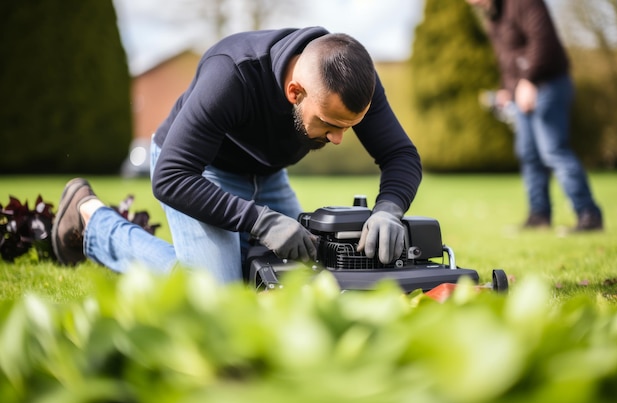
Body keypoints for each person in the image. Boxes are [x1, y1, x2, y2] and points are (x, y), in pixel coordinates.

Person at [52, 27, 422, 284]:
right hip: (199, 170)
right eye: (329, 123)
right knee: (216, 295)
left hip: (268, 173)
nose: (340, 138)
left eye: (350, 125)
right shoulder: (232, 74)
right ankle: (92, 220)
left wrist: (389, 208)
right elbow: (170, 176)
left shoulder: (352, 81)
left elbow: (401, 154)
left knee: (309, 274)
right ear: (295, 92)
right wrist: (259, 222)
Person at [466, 0, 603, 231]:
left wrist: (529, 79)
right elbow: (506, 58)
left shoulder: (523, 2)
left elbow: (543, 41)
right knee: (529, 154)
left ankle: (588, 214)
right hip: (520, 92)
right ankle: (539, 216)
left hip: (548, 84)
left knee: (553, 150)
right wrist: (506, 89)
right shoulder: (493, 16)